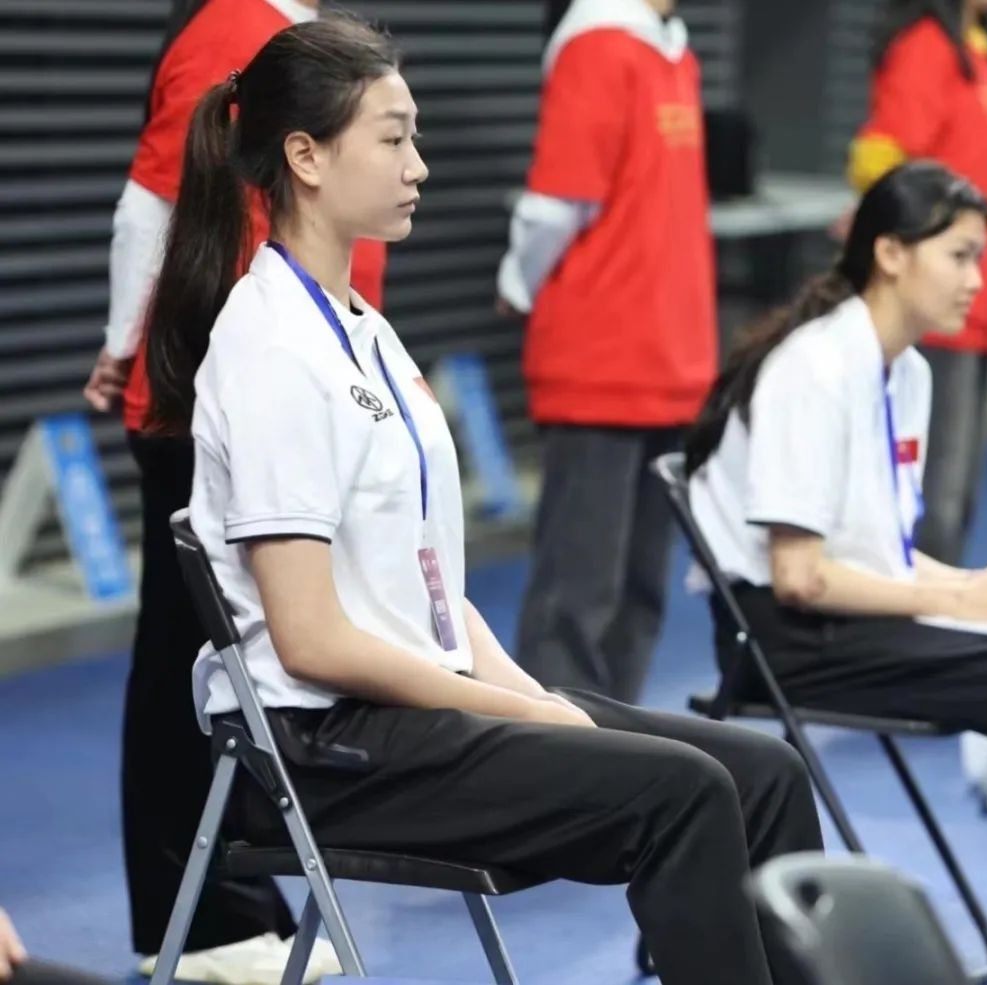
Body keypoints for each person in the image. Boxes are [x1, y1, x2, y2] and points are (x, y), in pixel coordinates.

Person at [143, 15, 823, 985]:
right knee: (688, 793)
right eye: (393, 138)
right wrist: (510, 711)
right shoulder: (268, 351)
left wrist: (529, 696)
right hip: (327, 749)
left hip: (416, 712)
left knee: (767, 774)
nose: (417, 165)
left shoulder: (360, 325)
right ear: (305, 156)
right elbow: (310, 640)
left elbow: (426, 587)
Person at [685, 160, 987, 985]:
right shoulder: (814, 368)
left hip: (855, 617)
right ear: (892, 253)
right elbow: (800, 575)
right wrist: (966, 594)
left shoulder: (906, 369)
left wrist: (982, 586)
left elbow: (877, 550)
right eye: (959, 256)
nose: (978, 280)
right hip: (788, 640)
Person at [80, 0, 385, 980]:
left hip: (285, 403)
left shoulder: (301, 29)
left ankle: (240, 899)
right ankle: (195, 922)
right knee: (193, 660)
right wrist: (123, 345)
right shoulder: (229, 29)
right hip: (207, 404)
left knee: (254, 661)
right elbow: (148, 208)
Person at [495, 0, 718, 704]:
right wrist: (518, 281)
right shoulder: (595, 46)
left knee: (639, 590)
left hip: (669, 356)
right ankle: (552, 755)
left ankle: (620, 750)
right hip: (603, 358)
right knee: (579, 592)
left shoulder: (672, 51)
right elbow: (557, 202)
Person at [846, 0, 987, 567]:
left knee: (955, 499)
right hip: (935, 313)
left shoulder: (974, 52)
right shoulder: (927, 48)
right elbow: (883, 162)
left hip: (978, 307)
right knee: (931, 504)